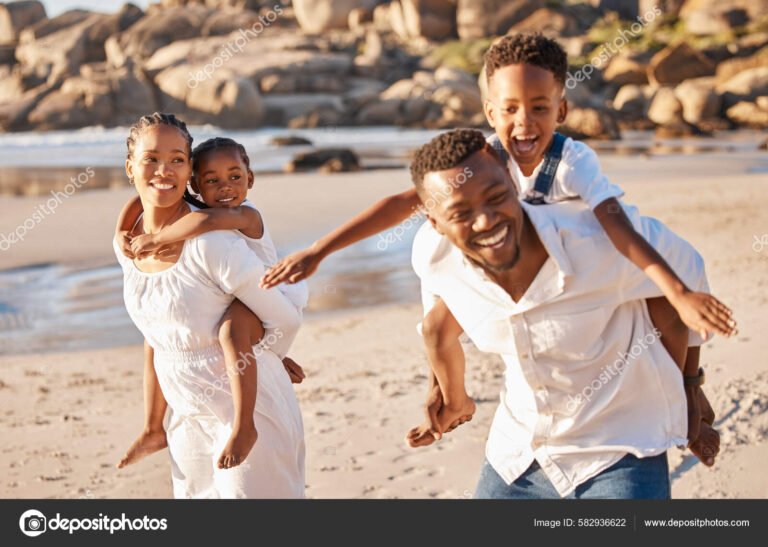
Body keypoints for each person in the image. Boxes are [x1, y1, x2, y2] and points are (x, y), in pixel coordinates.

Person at [260, 34, 735, 464]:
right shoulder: (485, 158)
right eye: (509, 109)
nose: (523, 123)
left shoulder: (572, 162)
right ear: (490, 112)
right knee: (434, 326)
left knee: (662, 298)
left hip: (591, 253)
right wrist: (319, 252)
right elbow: (404, 202)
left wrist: (677, 291)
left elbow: (612, 219)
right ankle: (449, 398)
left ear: (562, 110)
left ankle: (690, 389)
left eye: (539, 107)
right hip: (509, 259)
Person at [405, 128, 720, 499]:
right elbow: (436, 324)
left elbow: (685, 271)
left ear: (511, 181)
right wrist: (443, 391)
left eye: (495, 197)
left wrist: (690, 389)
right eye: (460, 213)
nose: (486, 220)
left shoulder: (596, 242)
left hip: (619, 450)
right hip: (519, 451)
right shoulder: (434, 256)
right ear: (434, 222)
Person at [113, 112, 304, 498]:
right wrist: (155, 424)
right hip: (184, 417)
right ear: (130, 167)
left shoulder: (214, 242)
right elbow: (158, 335)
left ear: (188, 173)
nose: (164, 169)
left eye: (177, 159)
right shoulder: (126, 243)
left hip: (247, 412)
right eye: (151, 158)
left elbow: (284, 316)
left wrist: (271, 354)